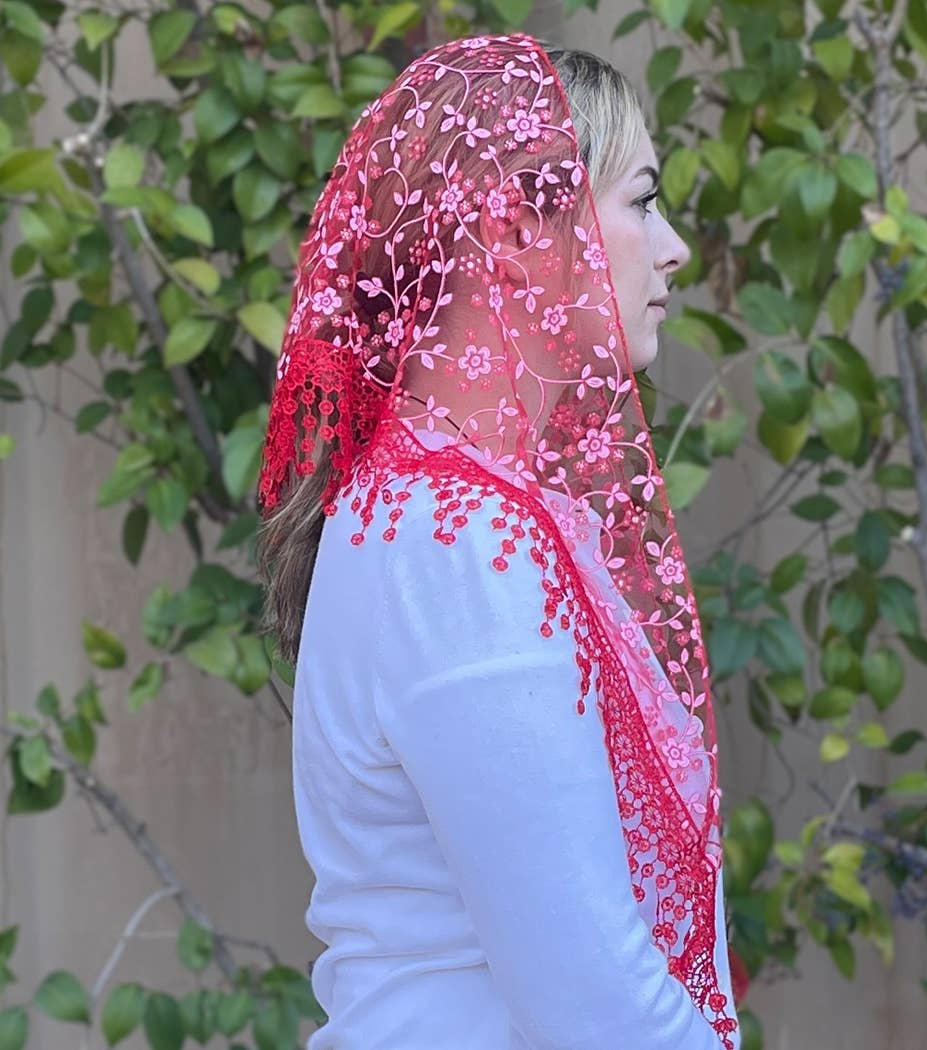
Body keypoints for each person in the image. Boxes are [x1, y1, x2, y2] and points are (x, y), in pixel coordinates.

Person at [258, 32, 741, 1050]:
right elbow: (598, 1008)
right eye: (643, 201)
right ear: (524, 230)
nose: (673, 250)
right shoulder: (456, 542)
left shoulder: (457, 509)